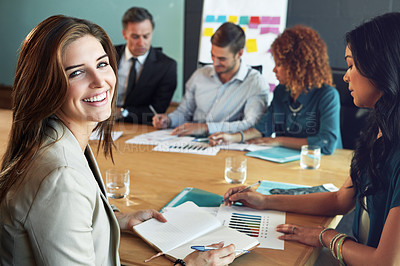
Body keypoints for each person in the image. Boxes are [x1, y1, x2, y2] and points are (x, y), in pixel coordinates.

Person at [0, 15, 235, 266]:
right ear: (45, 86)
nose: (100, 81)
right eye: (77, 72)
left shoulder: (52, 140)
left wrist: (116, 219)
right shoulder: (60, 178)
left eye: (102, 64)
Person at [223, 12, 400, 265]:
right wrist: (263, 201)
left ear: (381, 67)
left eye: (351, 65)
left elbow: (385, 261)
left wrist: (326, 237)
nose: (346, 76)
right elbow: (341, 199)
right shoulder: (376, 130)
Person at [209, 25, 342, 155]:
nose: (274, 70)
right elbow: (263, 128)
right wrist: (232, 138)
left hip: (322, 165)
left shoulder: (327, 95)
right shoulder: (281, 91)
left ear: (298, 66)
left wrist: (279, 141)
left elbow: (326, 143)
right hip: (286, 162)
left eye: (279, 65)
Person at [153, 22, 268, 136]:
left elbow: (252, 125)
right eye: (213, 55)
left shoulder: (255, 83)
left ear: (239, 53)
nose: (215, 62)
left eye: (222, 59)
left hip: (227, 147)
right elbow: (184, 113)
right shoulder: (200, 75)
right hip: (189, 143)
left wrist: (206, 128)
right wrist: (168, 120)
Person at [115, 7, 177, 125]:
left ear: (152, 33)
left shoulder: (166, 66)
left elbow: (156, 111)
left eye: (146, 36)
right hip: (101, 124)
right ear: (124, 34)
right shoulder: (108, 55)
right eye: (135, 36)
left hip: (139, 126)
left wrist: (123, 112)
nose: (141, 43)